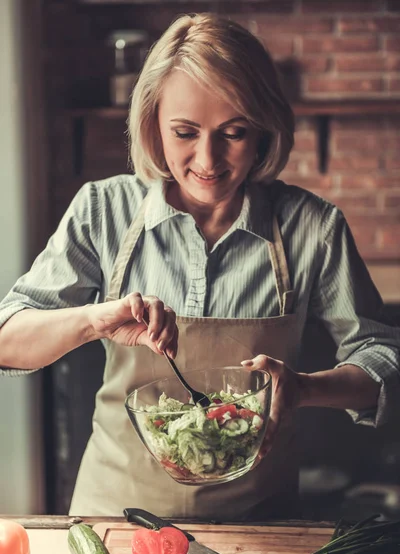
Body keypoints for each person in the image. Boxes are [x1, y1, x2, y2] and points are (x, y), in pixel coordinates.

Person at [0, 13, 399, 520]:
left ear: (262, 132)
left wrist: (304, 387)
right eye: (185, 132)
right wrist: (92, 319)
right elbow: (6, 339)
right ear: (153, 125)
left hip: (260, 525)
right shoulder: (102, 210)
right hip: (116, 518)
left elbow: (383, 355)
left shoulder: (313, 227)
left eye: (232, 133)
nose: (207, 160)